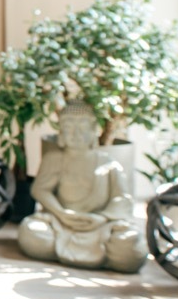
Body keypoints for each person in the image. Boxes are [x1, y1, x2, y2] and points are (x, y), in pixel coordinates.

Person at [16, 100, 148, 273]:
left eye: (82, 127)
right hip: (60, 222)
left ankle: (108, 251)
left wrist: (102, 217)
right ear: (61, 132)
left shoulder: (107, 163)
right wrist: (61, 213)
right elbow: (40, 189)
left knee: (129, 246)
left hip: (100, 226)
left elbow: (123, 198)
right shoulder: (54, 159)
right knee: (31, 232)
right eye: (69, 127)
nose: (75, 133)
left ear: (94, 130)